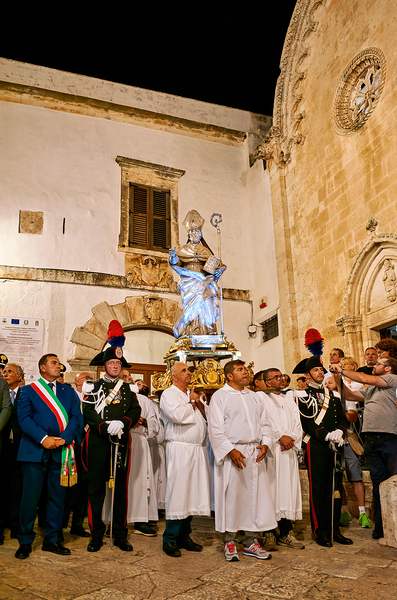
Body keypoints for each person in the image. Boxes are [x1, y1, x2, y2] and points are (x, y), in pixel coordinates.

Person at [15, 353, 83, 559]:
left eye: (59, 363)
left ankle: (52, 539)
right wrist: (44, 438)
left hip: (61, 450)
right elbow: (24, 419)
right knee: (30, 498)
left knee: (57, 498)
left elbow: (76, 417)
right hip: (35, 450)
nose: (58, 366)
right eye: (54, 363)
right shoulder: (28, 390)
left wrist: (65, 438)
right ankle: (25, 541)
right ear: (42, 368)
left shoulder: (68, 391)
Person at [207, 360, 276, 562]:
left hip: (254, 452)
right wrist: (230, 450)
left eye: (245, 369)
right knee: (232, 497)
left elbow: (265, 423)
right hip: (233, 453)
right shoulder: (220, 397)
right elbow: (215, 428)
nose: (245, 372)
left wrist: (266, 443)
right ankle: (229, 540)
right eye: (240, 370)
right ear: (230, 376)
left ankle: (250, 541)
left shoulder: (254, 397)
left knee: (254, 498)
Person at [82, 327, 141, 553]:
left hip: (121, 442)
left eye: (118, 364)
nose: (116, 367)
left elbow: (135, 411)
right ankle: (96, 534)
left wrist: (124, 424)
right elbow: (87, 412)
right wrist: (104, 426)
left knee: (120, 490)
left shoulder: (128, 389)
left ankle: (119, 534)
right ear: (104, 366)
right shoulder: (93, 387)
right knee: (96, 488)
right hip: (98, 441)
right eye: (112, 364)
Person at [330, 356, 397, 540]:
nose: (375, 366)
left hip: (389, 437)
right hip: (371, 439)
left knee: (394, 481)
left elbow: (366, 378)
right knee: (377, 483)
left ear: (388, 369)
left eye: (379, 364)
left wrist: (342, 369)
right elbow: (350, 395)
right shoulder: (372, 390)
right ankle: (381, 526)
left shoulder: (392, 380)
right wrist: (337, 377)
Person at [291, 354, 352, 547]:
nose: (320, 372)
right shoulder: (301, 395)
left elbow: (342, 418)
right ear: (307, 375)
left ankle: (335, 531)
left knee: (335, 489)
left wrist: (340, 432)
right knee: (318, 489)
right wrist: (326, 435)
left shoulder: (332, 394)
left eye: (320, 369)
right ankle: (320, 532)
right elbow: (306, 423)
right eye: (316, 370)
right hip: (316, 445)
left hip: (335, 445)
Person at [160, 362, 210, 557]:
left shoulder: (193, 394)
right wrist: (191, 402)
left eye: (189, 370)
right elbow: (178, 416)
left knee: (192, 494)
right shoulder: (169, 394)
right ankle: (169, 539)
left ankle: (184, 536)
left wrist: (198, 402)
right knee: (179, 493)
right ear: (174, 376)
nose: (189, 373)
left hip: (197, 450)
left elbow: (208, 417)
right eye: (184, 371)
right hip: (180, 449)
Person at [254, 368, 304, 550]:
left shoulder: (288, 398)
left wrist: (292, 438)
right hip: (272, 451)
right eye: (276, 377)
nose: (281, 379)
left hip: (288, 450)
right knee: (270, 490)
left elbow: (297, 422)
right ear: (267, 382)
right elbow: (262, 422)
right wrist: (278, 437)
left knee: (287, 490)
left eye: (281, 376)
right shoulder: (259, 398)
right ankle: (267, 531)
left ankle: (285, 531)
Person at [168, 210, 226, 337]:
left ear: (200, 234)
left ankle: (208, 330)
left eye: (197, 231)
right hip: (189, 281)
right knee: (192, 307)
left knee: (207, 303)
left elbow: (217, 265)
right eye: (191, 232)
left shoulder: (205, 250)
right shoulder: (184, 250)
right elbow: (176, 263)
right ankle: (192, 330)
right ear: (188, 235)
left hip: (205, 281)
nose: (194, 233)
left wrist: (218, 271)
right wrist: (173, 257)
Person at [335, 358, 371, 529]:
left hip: (349, 435)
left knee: (356, 476)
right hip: (334, 440)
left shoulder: (352, 388)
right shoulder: (332, 392)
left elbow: (353, 416)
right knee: (337, 477)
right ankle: (344, 513)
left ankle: (363, 513)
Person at [0, 363, 22, 542]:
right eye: (4, 372)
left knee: (17, 486)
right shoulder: (1, 392)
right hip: (2, 445)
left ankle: (14, 524)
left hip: (19, 446)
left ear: (20, 377)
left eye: (10, 372)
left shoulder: (25, 394)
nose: (6, 374)